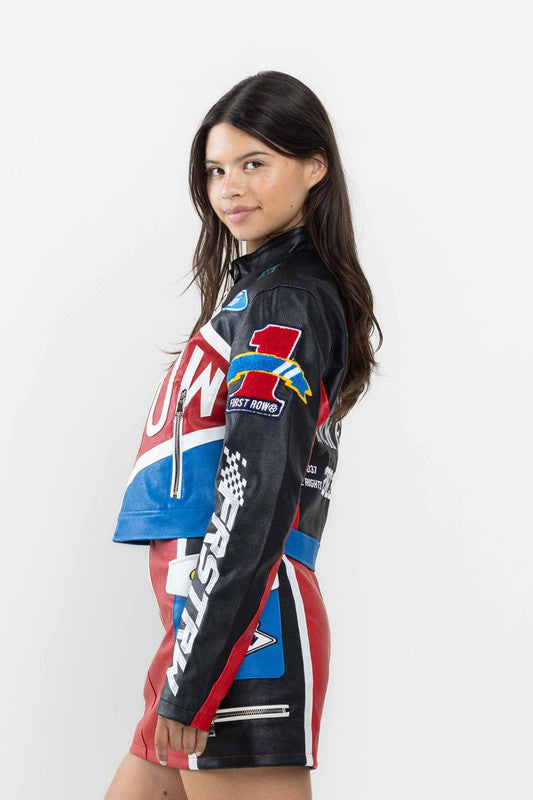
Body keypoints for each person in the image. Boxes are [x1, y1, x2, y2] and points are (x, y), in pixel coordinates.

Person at [103, 70, 382, 800]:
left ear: (314, 166)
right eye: (216, 170)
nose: (229, 188)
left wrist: (198, 673)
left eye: (254, 164)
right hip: (202, 621)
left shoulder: (286, 300)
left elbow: (255, 493)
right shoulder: (254, 293)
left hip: (245, 629)